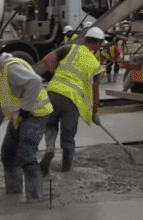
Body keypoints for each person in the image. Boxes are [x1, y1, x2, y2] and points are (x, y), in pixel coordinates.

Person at [0, 48, 53, 201]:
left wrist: (26, 108)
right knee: (8, 153)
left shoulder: (10, 68)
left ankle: (34, 199)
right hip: (20, 117)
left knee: (26, 155)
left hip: (35, 114)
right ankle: (13, 191)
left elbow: (35, 81)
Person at [39, 25, 105, 175]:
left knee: (50, 125)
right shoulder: (95, 65)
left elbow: (47, 59)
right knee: (68, 136)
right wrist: (94, 112)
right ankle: (67, 169)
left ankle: (49, 149)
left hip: (53, 93)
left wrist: (56, 75)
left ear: (86, 40)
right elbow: (95, 92)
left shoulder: (70, 49)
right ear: (97, 43)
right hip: (72, 101)